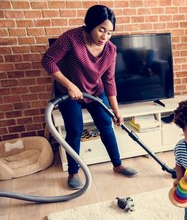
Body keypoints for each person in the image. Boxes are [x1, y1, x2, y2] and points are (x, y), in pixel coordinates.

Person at [41, 5, 137, 189]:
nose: (105, 36)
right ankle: (73, 172)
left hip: (94, 91)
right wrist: (69, 85)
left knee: (106, 125)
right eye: (101, 30)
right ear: (90, 25)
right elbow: (48, 60)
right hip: (70, 93)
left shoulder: (110, 49)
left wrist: (116, 110)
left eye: (109, 32)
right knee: (74, 131)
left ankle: (118, 165)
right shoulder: (71, 38)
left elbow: (109, 80)